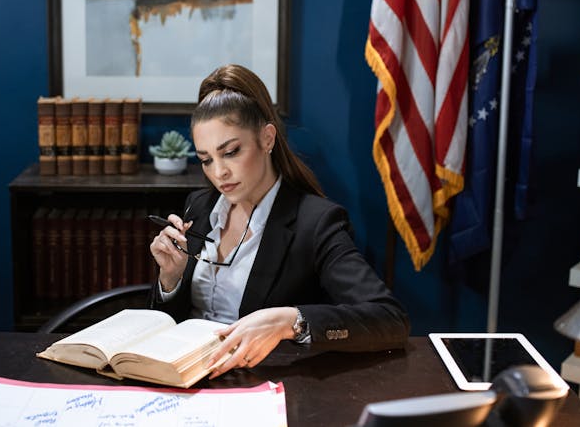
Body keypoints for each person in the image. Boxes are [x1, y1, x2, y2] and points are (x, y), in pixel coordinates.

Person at [148, 64, 410, 378]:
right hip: (183, 377)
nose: (219, 173)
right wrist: (171, 280)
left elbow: (390, 319)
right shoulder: (199, 206)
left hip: (258, 384)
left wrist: (291, 321)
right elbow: (171, 322)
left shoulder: (316, 223)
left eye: (231, 152)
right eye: (206, 160)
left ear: (267, 138)